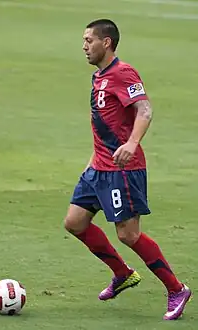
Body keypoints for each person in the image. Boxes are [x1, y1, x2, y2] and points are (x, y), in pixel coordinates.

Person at [64, 19, 191, 320]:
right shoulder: (99, 77)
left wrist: (133, 143)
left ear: (106, 43)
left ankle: (176, 289)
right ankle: (122, 273)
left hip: (122, 169)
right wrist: (92, 161)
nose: (84, 46)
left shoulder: (123, 73)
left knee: (129, 234)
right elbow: (105, 126)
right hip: (98, 168)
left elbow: (144, 109)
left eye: (88, 40)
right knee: (75, 223)